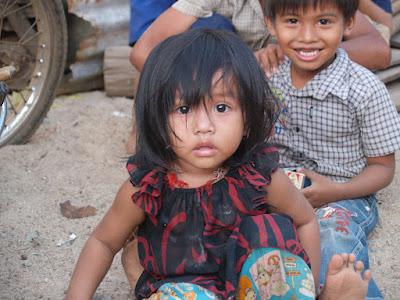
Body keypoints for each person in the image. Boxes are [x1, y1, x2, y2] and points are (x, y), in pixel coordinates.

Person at [66, 29, 370, 300]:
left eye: (221, 107)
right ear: (157, 118)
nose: (204, 126)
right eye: (184, 108)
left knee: (276, 257)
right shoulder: (147, 188)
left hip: (254, 283)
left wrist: (309, 284)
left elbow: (305, 220)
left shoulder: (260, 177)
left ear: (248, 117)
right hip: (186, 287)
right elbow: (103, 242)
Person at [262, 0, 400, 298]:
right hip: (279, 189)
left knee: (334, 240)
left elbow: (384, 168)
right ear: (270, 24)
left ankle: (342, 292)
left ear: (349, 22)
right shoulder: (266, 77)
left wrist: (336, 192)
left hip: (344, 194)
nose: (308, 36)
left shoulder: (364, 89)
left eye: (324, 22)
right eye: (292, 21)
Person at [129, 0, 391, 75]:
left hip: (287, 76)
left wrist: (291, 54)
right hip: (230, 77)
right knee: (210, 30)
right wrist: (233, 69)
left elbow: (378, 51)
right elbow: (143, 51)